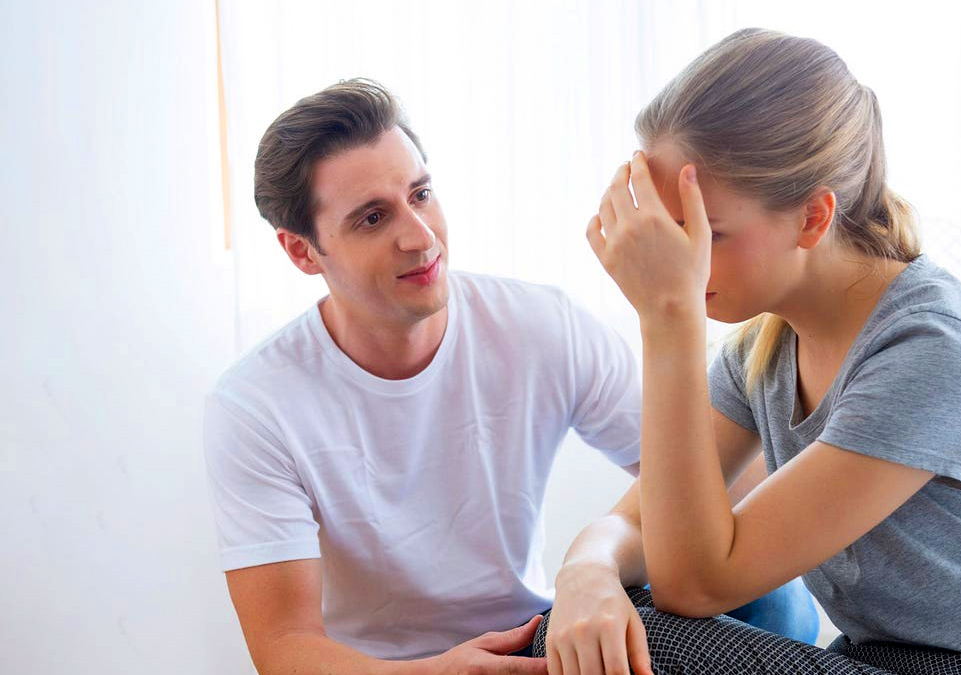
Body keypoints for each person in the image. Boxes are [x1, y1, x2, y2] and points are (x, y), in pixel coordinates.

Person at [542, 28, 961, 675]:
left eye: (708, 232)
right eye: (669, 230)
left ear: (813, 217)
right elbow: (639, 527)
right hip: (888, 659)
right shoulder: (762, 352)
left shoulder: (936, 348)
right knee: (583, 626)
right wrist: (586, 571)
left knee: (638, 637)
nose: (681, 260)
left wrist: (667, 320)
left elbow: (695, 583)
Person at [203, 77, 818, 675]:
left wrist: (595, 568)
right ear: (302, 250)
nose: (420, 237)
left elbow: (716, 486)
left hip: (533, 639)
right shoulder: (258, 403)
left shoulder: (539, 324)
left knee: (758, 587)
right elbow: (284, 646)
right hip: (395, 671)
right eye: (372, 218)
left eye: (421, 194)